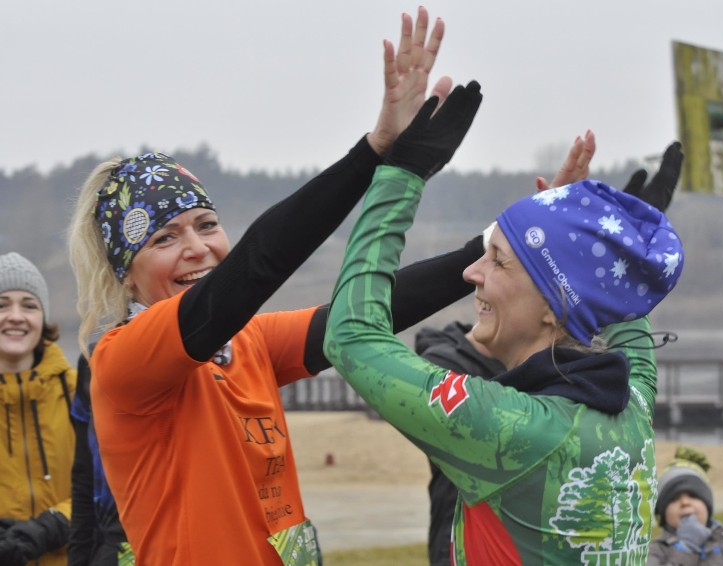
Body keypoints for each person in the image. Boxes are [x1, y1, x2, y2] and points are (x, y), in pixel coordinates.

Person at [66, 8, 490, 565]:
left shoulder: (249, 344)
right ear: (126, 272)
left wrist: (502, 246)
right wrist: (375, 153)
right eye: (165, 238)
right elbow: (255, 267)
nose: (197, 247)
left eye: (207, 226)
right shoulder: (125, 361)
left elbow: (369, 310)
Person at [324, 82, 686, 563]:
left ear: (550, 306)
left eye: (497, 260)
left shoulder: (512, 429)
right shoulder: (631, 405)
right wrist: (604, 245)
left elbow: (351, 337)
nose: (471, 271)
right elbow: (620, 314)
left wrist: (402, 173)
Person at [415, 137, 684, 565]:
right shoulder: (452, 365)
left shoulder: (588, 388)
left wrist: (603, 266)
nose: (476, 276)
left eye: (500, 263)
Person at [0, 252, 77, 566]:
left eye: (29, 305)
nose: (16, 316)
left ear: (42, 319)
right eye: (2, 305)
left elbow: (112, 483)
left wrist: (55, 524)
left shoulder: (80, 392)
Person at [67, 352, 133, 566]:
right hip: (114, 547)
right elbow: (83, 478)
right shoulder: (94, 358)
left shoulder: (200, 354)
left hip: (182, 542)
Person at [647, 446, 723, 566]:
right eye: (674, 499)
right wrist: (685, 548)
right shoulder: (655, 551)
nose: (685, 503)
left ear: (707, 506)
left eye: (693, 496)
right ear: (662, 514)